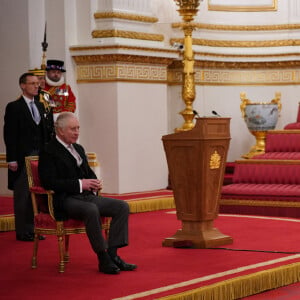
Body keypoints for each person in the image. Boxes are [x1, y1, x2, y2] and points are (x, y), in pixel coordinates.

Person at [38, 112, 137, 274]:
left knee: (121, 206)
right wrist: (79, 184)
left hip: (86, 196)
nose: (77, 132)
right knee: (91, 210)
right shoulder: (49, 151)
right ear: (60, 131)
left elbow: (88, 173)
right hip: (64, 198)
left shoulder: (78, 148)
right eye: (73, 129)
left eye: (78, 128)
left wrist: (94, 182)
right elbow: (49, 182)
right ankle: (103, 258)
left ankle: (113, 255)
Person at [3, 72, 54, 241]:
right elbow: (10, 135)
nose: (36, 85)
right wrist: (11, 159)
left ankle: (33, 228)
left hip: (40, 156)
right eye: (32, 83)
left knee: (37, 193)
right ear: (22, 86)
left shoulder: (40, 106)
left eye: (37, 83)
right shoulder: (14, 107)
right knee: (23, 194)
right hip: (22, 157)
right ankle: (22, 231)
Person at [29, 68, 55, 139]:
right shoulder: (27, 97)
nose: (43, 81)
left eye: (44, 78)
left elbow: (51, 113)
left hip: (47, 134)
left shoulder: (48, 95)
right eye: (40, 79)